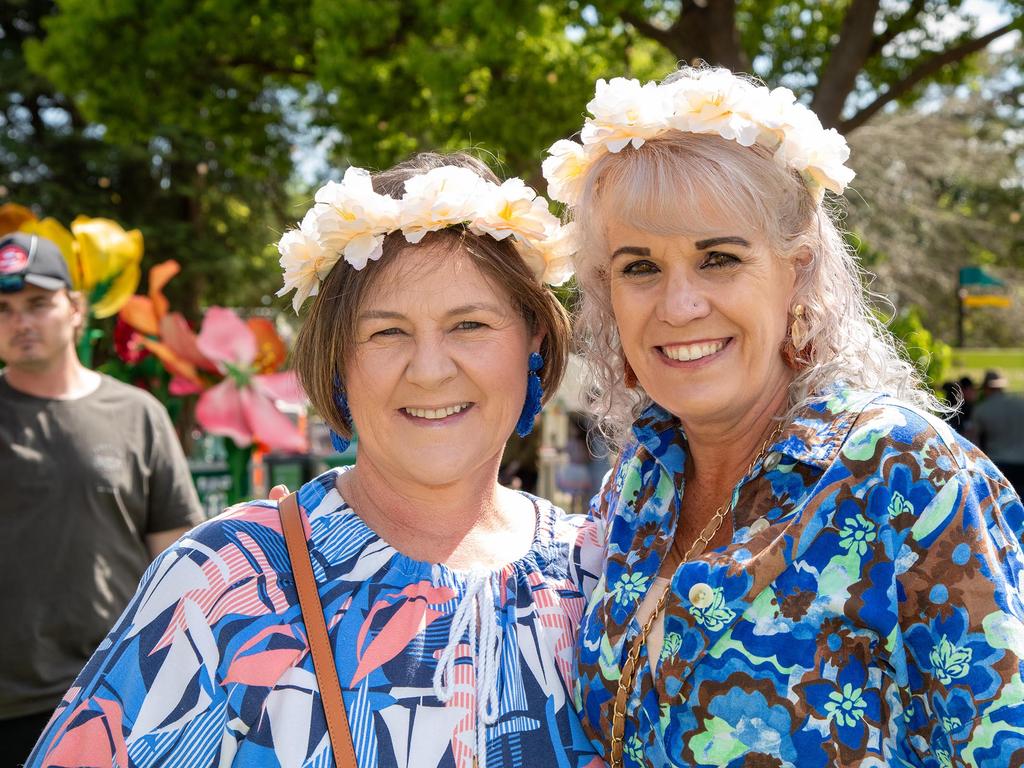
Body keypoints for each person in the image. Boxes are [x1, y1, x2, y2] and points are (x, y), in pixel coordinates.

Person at [28, 154, 606, 767]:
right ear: (337, 362)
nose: (431, 368)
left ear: (533, 338)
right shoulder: (225, 582)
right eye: (386, 332)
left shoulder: (599, 573)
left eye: (469, 324)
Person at [543, 67, 1024, 766]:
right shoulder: (637, 484)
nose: (678, 306)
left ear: (796, 272)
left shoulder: (903, 475)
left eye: (718, 259)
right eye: (640, 267)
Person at [0, 232, 204, 765]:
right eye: (3, 309)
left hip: (113, 695)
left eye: (38, 304)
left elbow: (177, 560)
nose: (21, 322)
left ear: (74, 308)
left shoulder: (139, 415)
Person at [969, 369, 1024, 491]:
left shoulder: (981, 409)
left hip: (998, 462)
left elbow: (973, 439)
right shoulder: (1020, 403)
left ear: (986, 388)